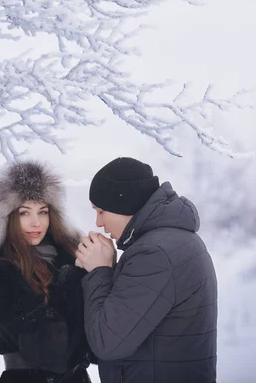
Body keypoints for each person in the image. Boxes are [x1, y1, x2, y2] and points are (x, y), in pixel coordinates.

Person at [76, 157, 218, 383]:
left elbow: (107, 342)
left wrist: (99, 272)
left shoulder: (154, 254)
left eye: (101, 211)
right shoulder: (172, 240)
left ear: (123, 205)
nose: (98, 223)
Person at [0, 160, 94, 383]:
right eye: (24, 213)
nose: (36, 222)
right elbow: (49, 349)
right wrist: (74, 278)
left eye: (43, 211)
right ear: (8, 217)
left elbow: (97, 338)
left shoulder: (67, 258)